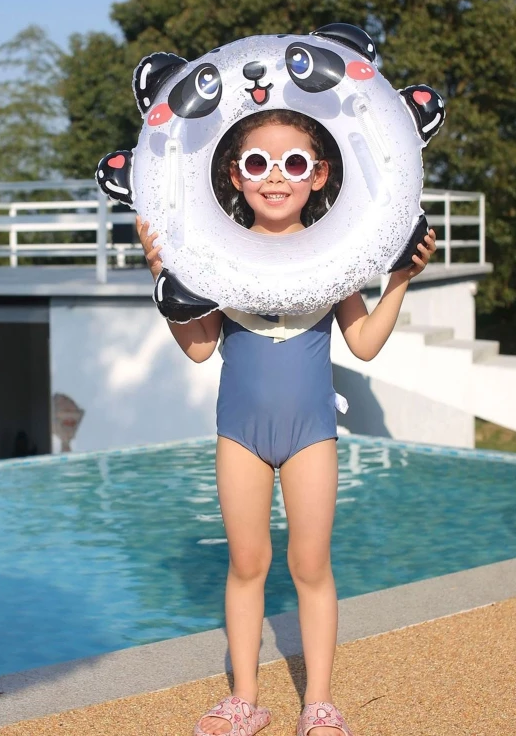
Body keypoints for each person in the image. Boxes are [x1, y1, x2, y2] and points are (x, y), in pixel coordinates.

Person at [135, 109, 436, 736]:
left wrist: (400, 280)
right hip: (239, 434)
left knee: (310, 565)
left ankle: (319, 703)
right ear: (235, 176)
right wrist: (162, 273)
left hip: (310, 435)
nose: (276, 177)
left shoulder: (336, 254)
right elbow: (197, 348)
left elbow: (364, 343)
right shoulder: (214, 255)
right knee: (246, 564)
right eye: (258, 164)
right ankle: (245, 698)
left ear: (320, 175)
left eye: (294, 163)